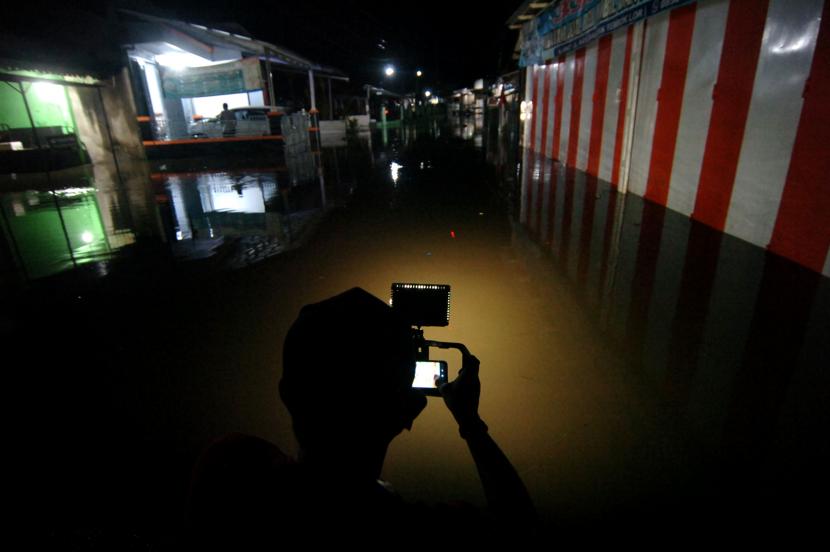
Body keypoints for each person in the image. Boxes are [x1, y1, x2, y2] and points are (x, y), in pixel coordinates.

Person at [187, 288, 536, 547]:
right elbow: (520, 529)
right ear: (412, 410)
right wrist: (471, 424)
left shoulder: (229, 469)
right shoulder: (411, 534)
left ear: (286, 394)